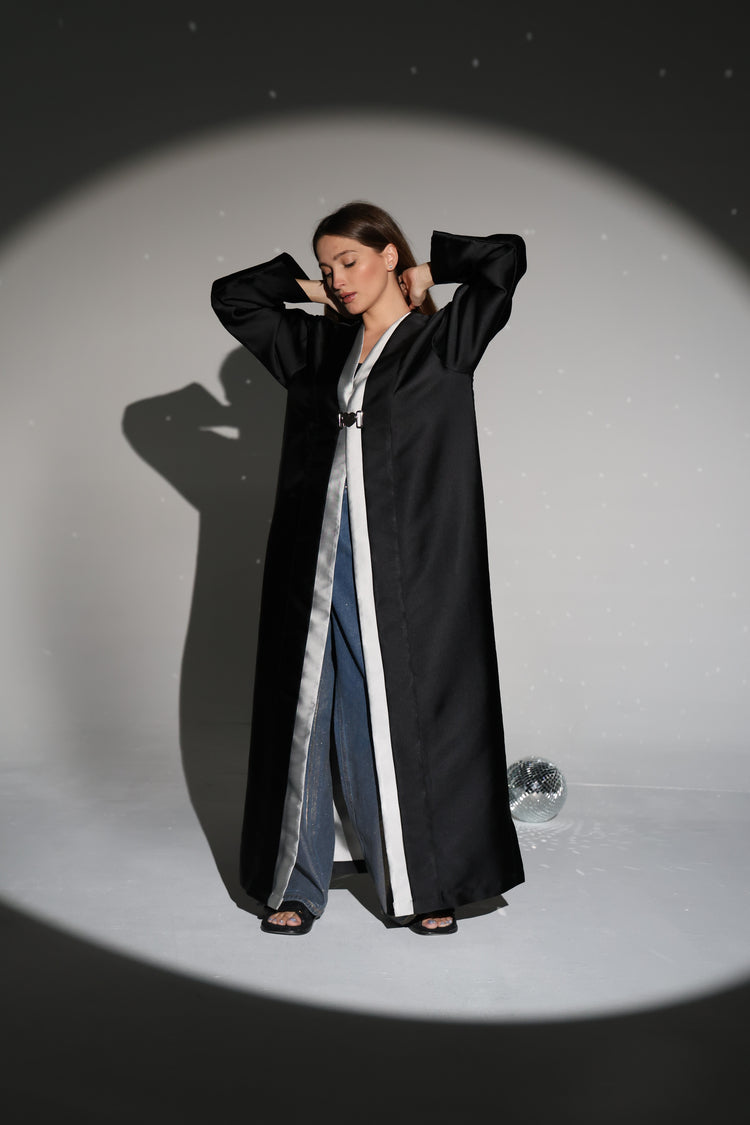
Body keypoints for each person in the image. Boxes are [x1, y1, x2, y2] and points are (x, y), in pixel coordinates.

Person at [211, 200, 526, 936]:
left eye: (349, 261)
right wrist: (313, 289)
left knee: (396, 708)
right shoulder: (316, 347)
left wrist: (430, 270)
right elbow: (234, 297)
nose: (338, 278)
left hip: (405, 565)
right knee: (309, 709)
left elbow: (504, 257)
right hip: (315, 557)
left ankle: (423, 880)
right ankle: (296, 884)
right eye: (327, 267)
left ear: (388, 253)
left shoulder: (444, 339)